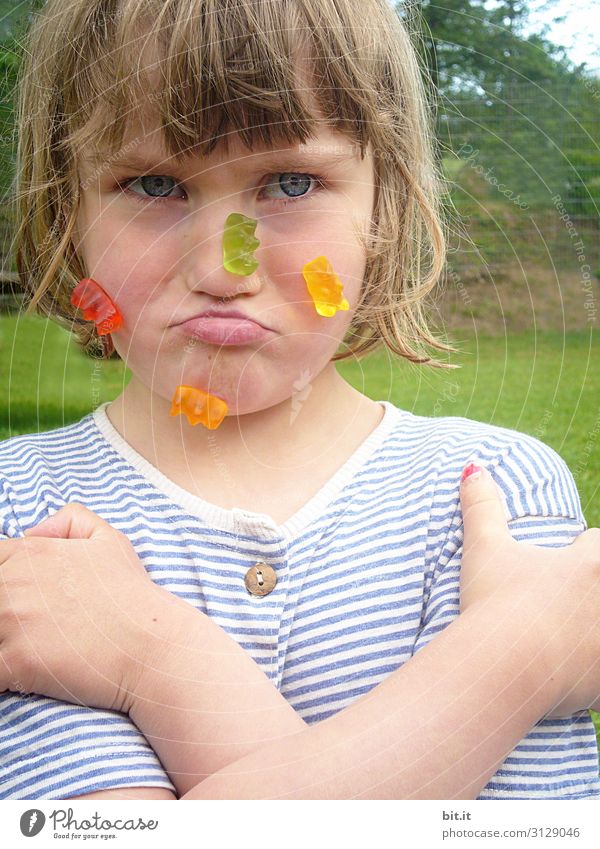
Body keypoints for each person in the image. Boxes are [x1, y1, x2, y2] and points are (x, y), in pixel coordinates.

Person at [0, 0, 598, 801]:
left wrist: (137, 658)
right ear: (66, 211)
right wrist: (523, 655)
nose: (220, 267)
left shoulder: (493, 494)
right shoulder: (22, 513)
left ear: (382, 210)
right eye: (152, 184)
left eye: (290, 182)